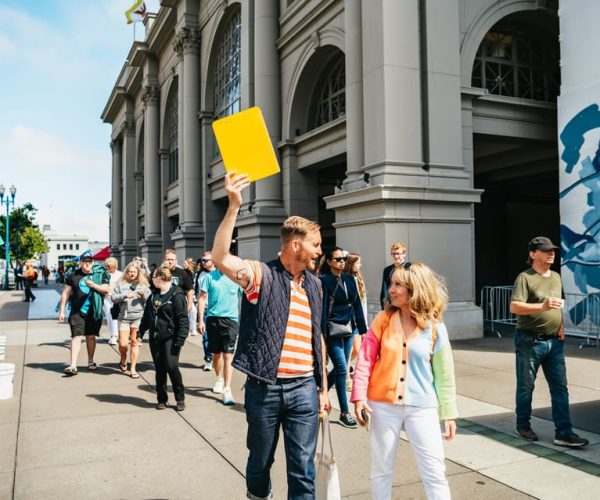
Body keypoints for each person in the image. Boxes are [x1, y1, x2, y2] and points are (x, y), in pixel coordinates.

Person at [211, 171, 331, 500]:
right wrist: (234, 206)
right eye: (315, 244)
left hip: (305, 389)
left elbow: (315, 337)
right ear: (296, 244)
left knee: (303, 469)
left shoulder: (316, 285)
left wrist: (322, 388)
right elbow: (221, 258)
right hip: (265, 388)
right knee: (260, 462)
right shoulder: (261, 276)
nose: (320, 251)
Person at [351, 261, 458, 499]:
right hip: (382, 406)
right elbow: (365, 360)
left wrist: (448, 413)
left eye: (398, 284)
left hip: (422, 407)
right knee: (381, 471)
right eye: (392, 283)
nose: (391, 289)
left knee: (434, 471)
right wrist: (359, 397)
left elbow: (445, 374)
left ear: (416, 288)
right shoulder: (383, 319)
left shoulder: (435, 328)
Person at [509, 236, 589, 447]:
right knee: (526, 387)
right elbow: (515, 307)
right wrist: (542, 307)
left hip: (555, 343)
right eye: (546, 251)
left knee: (560, 388)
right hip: (529, 341)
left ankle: (563, 433)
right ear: (533, 254)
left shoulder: (555, 276)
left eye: (552, 250)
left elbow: (558, 305)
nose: (551, 253)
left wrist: (561, 326)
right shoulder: (524, 278)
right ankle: (523, 426)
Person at [320, 247, 367, 428]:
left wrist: (363, 331)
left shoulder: (350, 279)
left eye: (343, 259)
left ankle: (321, 392)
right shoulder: (323, 281)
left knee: (340, 368)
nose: (341, 262)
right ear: (330, 262)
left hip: (348, 329)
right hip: (331, 330)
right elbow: (323, 309)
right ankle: (345, 412)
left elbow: (356, 307)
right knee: (341, 368)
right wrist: (321, 334)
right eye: (338, 259)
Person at [138, 264, 189, 411]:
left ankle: (180, 398)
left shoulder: (177, 295)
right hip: (155, 337)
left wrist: (180, 339)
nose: (151, 279)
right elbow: (147, 316)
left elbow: (183, 319)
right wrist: (140, 333)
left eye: (153, 277)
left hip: (171, 337)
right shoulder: (153, 295)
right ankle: (162, 398)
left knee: (171, 366)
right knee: (159, 368)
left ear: (159, 278)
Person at [59, 250, 110, 375]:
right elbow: (66, 293)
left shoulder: (99, 274)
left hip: (94, 311)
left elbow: (106, 290)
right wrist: (62, 311)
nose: (87, 264)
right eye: (85, 261)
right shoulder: (73, 275)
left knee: (91, 337)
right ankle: (73, 365)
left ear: (93, 262)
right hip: (77, 312)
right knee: (76, 336)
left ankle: (90, 361)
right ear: (80, 263)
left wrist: (93, 285)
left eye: (89, 261)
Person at [197, 262, 242, 405]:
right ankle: (218, 378)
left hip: (231, 320)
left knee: (228, 355)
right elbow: (202, 298)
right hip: (213, 319)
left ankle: (227, 389)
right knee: (216, 355)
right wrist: (200, 320)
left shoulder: (236, 278)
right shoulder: (209, 277)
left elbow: (247, 297)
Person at [111, 262, 151, 378]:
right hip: (123, 317)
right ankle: (123, 356)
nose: (132, 273)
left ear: (138, 273)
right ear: (127, 273)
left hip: (138, 317)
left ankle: (133, 368)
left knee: (135, 342)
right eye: (130, 271)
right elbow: (113, 298)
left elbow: (150, 301)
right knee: (123, 344)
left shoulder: (143, 285)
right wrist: (124, 296)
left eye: (134, 271)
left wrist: (143, 295)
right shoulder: (120, 284)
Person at [345, 252, 367, 390]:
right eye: (358, 263)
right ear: (351, 264)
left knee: (358, 349)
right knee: (349, 350)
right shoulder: (346, 279)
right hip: (349, 320)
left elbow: (363, 302)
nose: (360, 265)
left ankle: (342, 368)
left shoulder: (358, 278)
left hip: (359, 320)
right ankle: (346, 377)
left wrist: (364, 322)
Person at [195, 252, 215, 370]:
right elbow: (198, 291)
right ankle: (208, 359)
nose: (203, 263)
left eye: (206, 260)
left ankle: (217, 358)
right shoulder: (200, 274)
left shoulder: (219, 274)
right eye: (202, 260)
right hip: (205, 308)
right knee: (206, 336)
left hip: (217, 309)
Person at [380, 242, 407, 309]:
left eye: (398, 253)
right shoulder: (387, 270)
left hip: (405, 304)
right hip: (392, 304)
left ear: (404, 254)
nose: (395, 256)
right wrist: (384, 306)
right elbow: (384, 289)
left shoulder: (409, 269)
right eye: (393, 254)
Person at [103, 257, 122, 346]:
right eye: (107, 266)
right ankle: (113, 335)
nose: (108, 268)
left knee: (115, 317)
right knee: (109, 317)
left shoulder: (120, 275)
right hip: (106, 298)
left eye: (110, 266)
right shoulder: (104, 274)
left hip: (117, 299)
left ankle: (116, 335)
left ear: (115, 266)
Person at [183, 257, 198, 336]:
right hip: (185, 294)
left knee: (193, 311)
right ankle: (188, 329)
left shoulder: (192, 273)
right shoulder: (184, 272)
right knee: (189, 312)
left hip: (191, 295)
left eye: (185, 264)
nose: (183, 265)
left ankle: (193, 328)